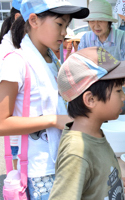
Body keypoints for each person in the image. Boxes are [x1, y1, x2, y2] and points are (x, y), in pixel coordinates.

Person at [0, 0, 89, 199]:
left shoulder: (53, 59)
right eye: (60, 24)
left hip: (60, 162)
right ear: (34, 20)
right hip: (37, 171)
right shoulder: (16, 62)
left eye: (67, 25)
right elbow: (1, 123)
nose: (65, 32)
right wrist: (52, 120)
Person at [49, 47, 125, 200]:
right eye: (118, 91)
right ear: (90, 100)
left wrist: (107, 184)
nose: (124, 97)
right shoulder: (76, 153)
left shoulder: (93, 133)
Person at [0, 0, 22, 172]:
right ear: (18, 17)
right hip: (19, 136)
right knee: (18, 178)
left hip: (28, 134)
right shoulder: (10, 55)